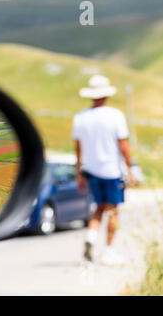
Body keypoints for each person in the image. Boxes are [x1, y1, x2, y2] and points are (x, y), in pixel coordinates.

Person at [72, 75, 136, 265]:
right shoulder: (115, 116)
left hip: (91, 170)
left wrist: (78, 173)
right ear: (106, 95)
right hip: (111, 170)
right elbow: (123, 146)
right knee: (113, 210)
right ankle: (108, 250)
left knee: (98, 207)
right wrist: (130, 169)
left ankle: (91, 237)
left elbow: (77, 148)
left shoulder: (80, 117)